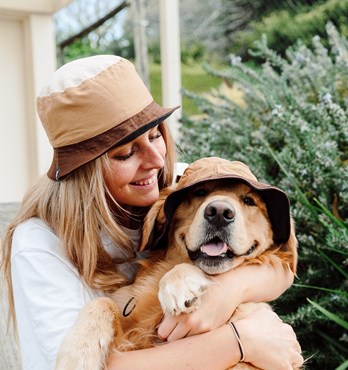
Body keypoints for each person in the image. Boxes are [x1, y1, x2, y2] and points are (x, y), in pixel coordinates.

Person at [0, 55, 303, 370]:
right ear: (84, 175)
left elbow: (281, 265)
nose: (156, 160)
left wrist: (226, 291)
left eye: (156, 134)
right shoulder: (39, 243)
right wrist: (242, 342)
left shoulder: (181, 188)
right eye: (126, 153)